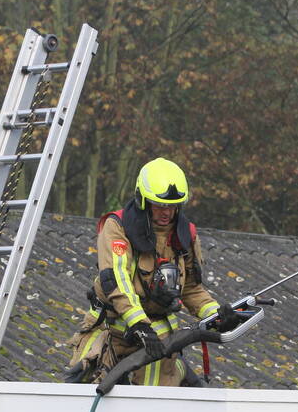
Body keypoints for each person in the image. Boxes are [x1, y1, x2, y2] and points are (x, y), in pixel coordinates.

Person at [66, 157, 238, 387]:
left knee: (168, 403)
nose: (167, 212)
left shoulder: (184, 234)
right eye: (161, 205)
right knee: (85, 398)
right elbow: (116, 279)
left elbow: (191, 289)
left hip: (159, 340)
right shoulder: (118, 227)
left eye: (173, 205)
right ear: (143, 200)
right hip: (111, 334)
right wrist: (138, 324)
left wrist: (216, 316)